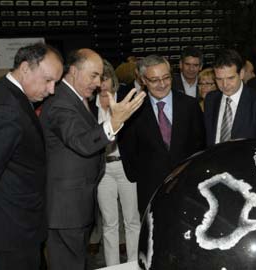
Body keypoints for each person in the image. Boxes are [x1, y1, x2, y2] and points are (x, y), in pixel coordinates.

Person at [39, 48, 145, 270]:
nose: (98, 83)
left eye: (100, 76)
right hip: (65, 209)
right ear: (75, 71)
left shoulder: (74, 99)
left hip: (74, 205)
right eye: (93, 75)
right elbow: (83, 142)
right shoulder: (60, 101)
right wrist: (114, 123)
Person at [0, 43, 64, 270]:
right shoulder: (7, 106)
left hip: (18, 225)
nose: (51, 90)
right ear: (26, 68)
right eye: (48, 80)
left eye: (55, 83)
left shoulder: (4, 92)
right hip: (10, 229)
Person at [120, 54, 205, 214]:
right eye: (154, 80)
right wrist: (143, 175)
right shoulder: (133, 111)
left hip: (187, 188)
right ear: (143, 80)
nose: (162, 84)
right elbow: (128, 149)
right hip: (150, 190)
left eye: (166, 78)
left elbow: (200, 146)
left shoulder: (190, 106)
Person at [89, 59, 141, 266]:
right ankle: (111, 266)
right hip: (103, 168)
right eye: (97, 79)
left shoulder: (124, 101)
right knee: (109, 223)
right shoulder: (88, 106)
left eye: (105, 78)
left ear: (113, 80)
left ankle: (133, 263)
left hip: (125, 165)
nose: (102, 84)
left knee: (132, 220)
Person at [204, 49, 256, 146]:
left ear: (241, 74)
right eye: (219, 79)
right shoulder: (211, 99)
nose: (225, 84)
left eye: (230, 78)